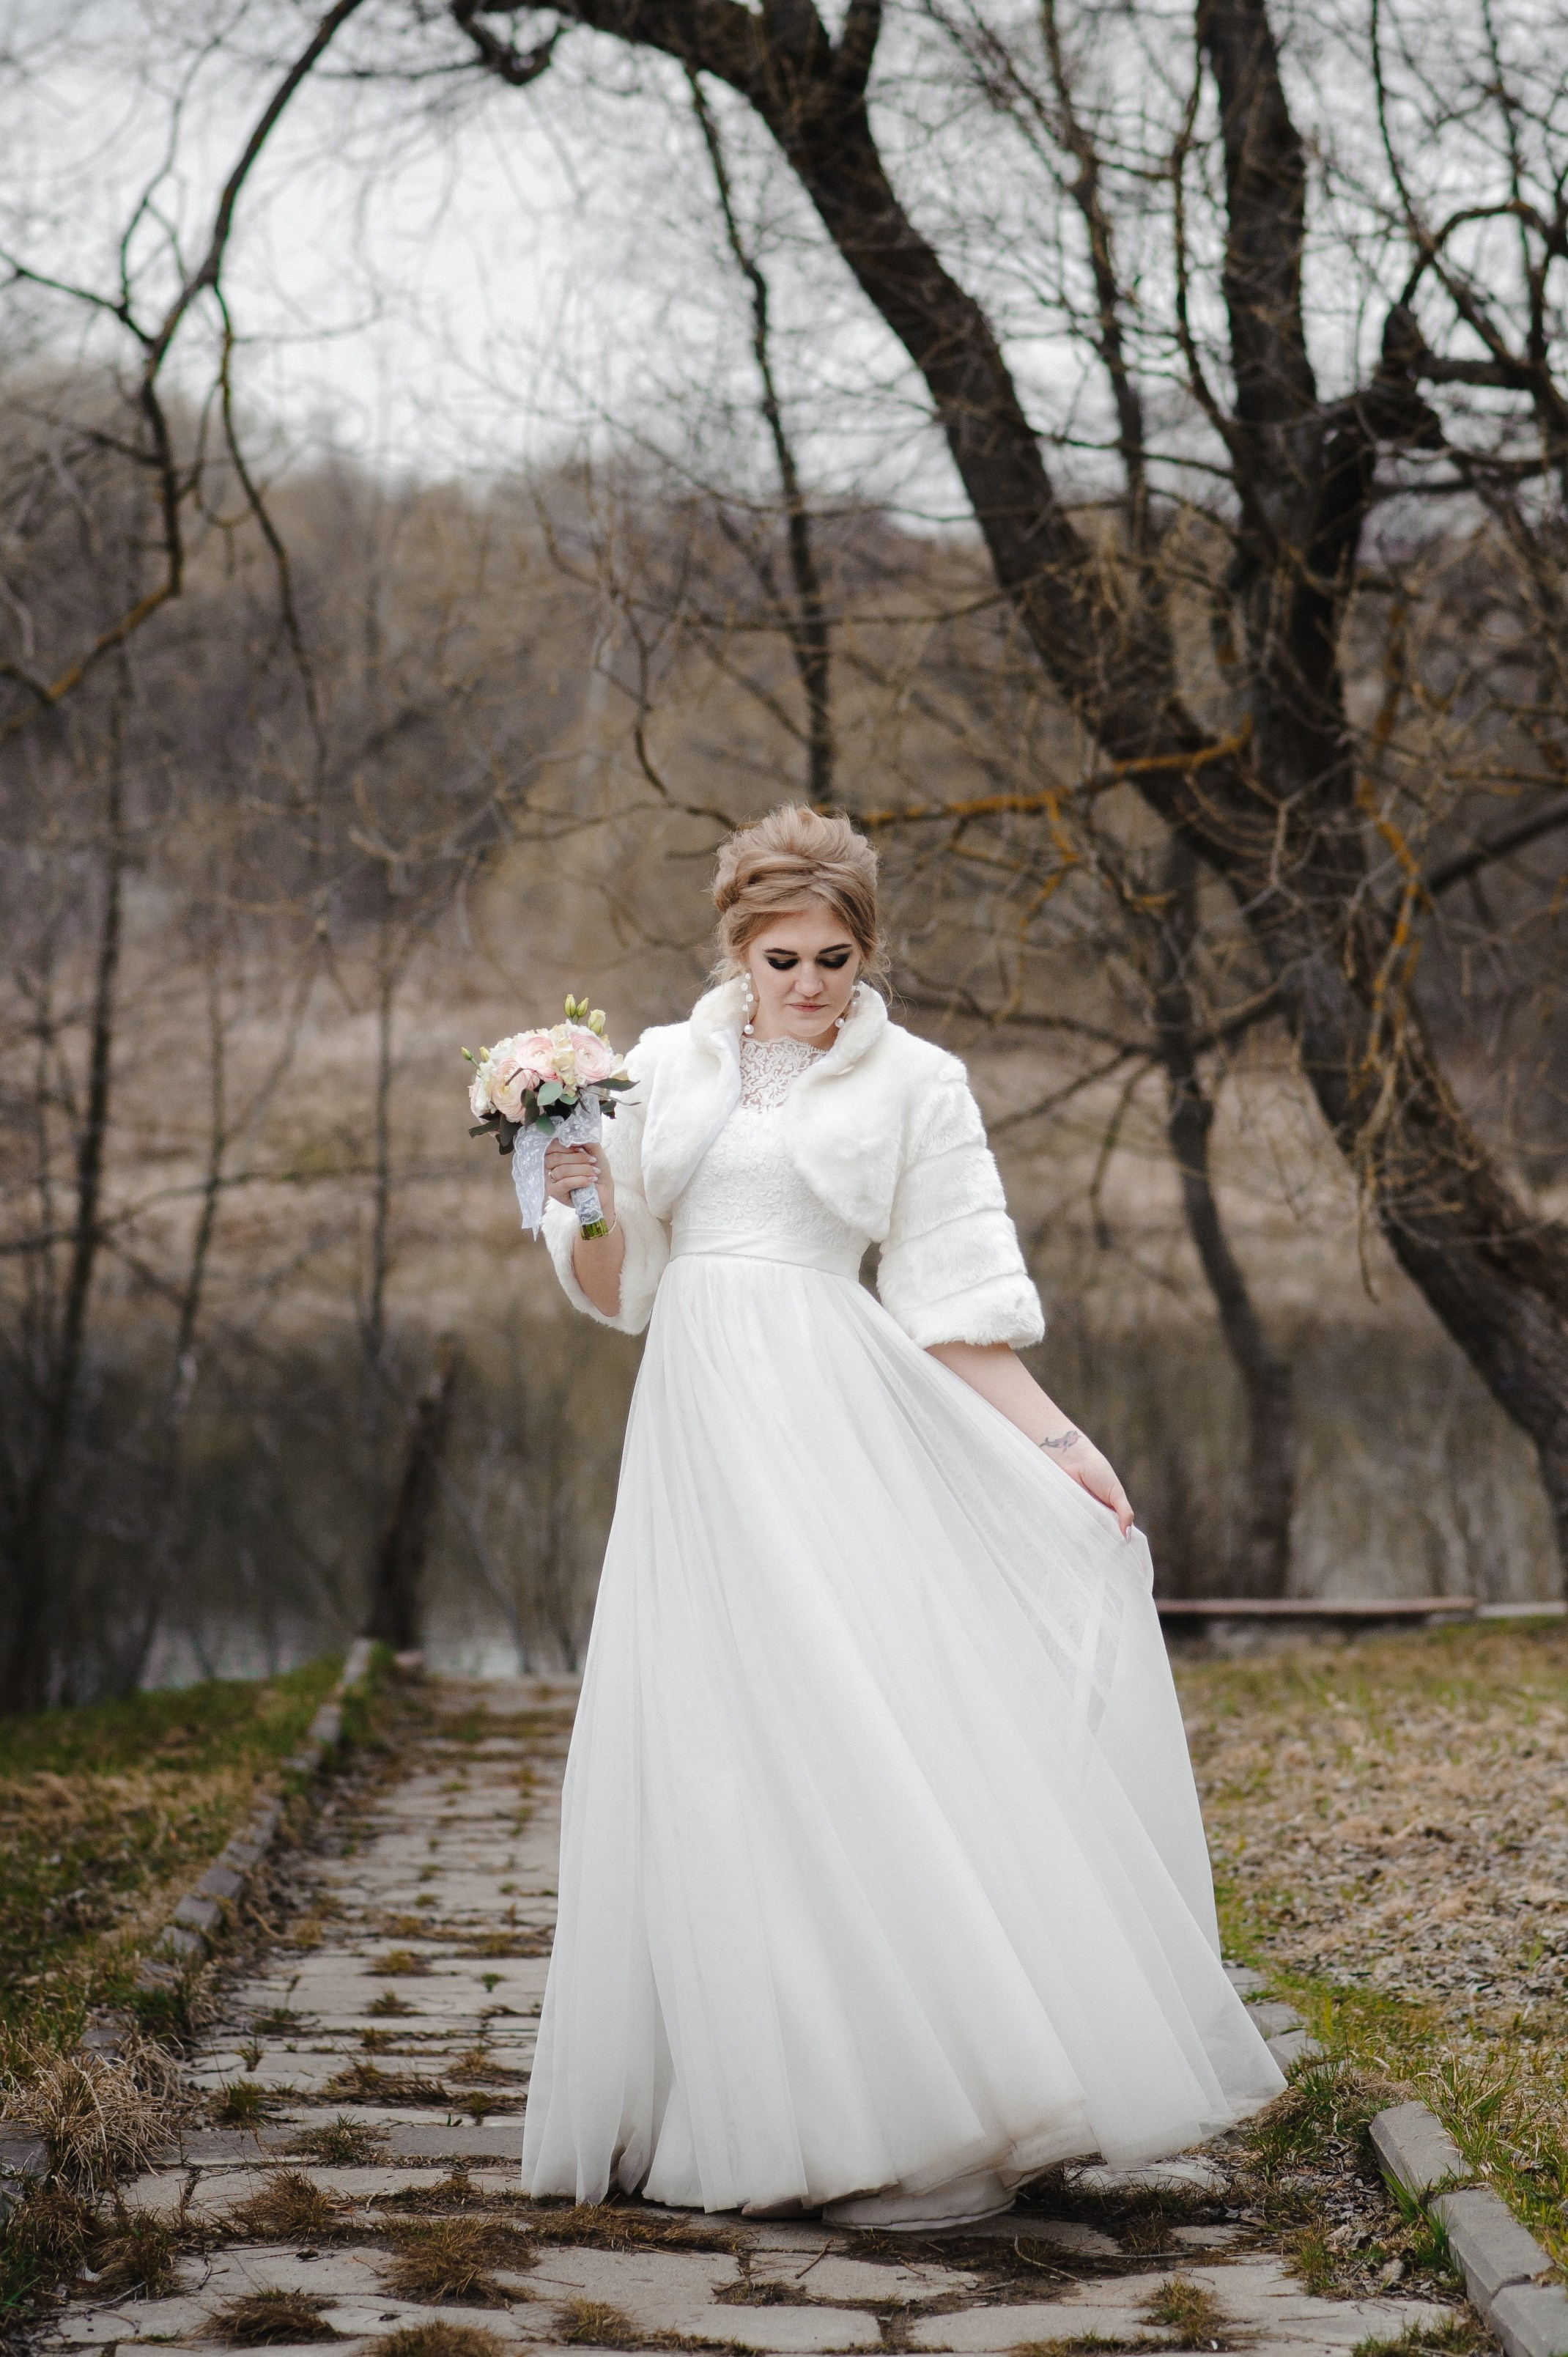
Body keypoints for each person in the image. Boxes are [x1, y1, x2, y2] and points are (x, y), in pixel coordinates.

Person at [520, 804, 1282, 2228]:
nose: (808, 986)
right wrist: (576, 1197)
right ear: (735, 950)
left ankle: (923, 2092)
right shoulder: (659, 1069)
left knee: (844, 1713)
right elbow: (622, 1284)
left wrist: (1062, 1446)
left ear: (865, 951)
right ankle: (734, 2094)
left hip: (823, 1408)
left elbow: (951, 1299)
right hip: (691, 1418)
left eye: (833, 958)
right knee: (706, 1734)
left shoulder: (919, 1082)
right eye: (780, 958)